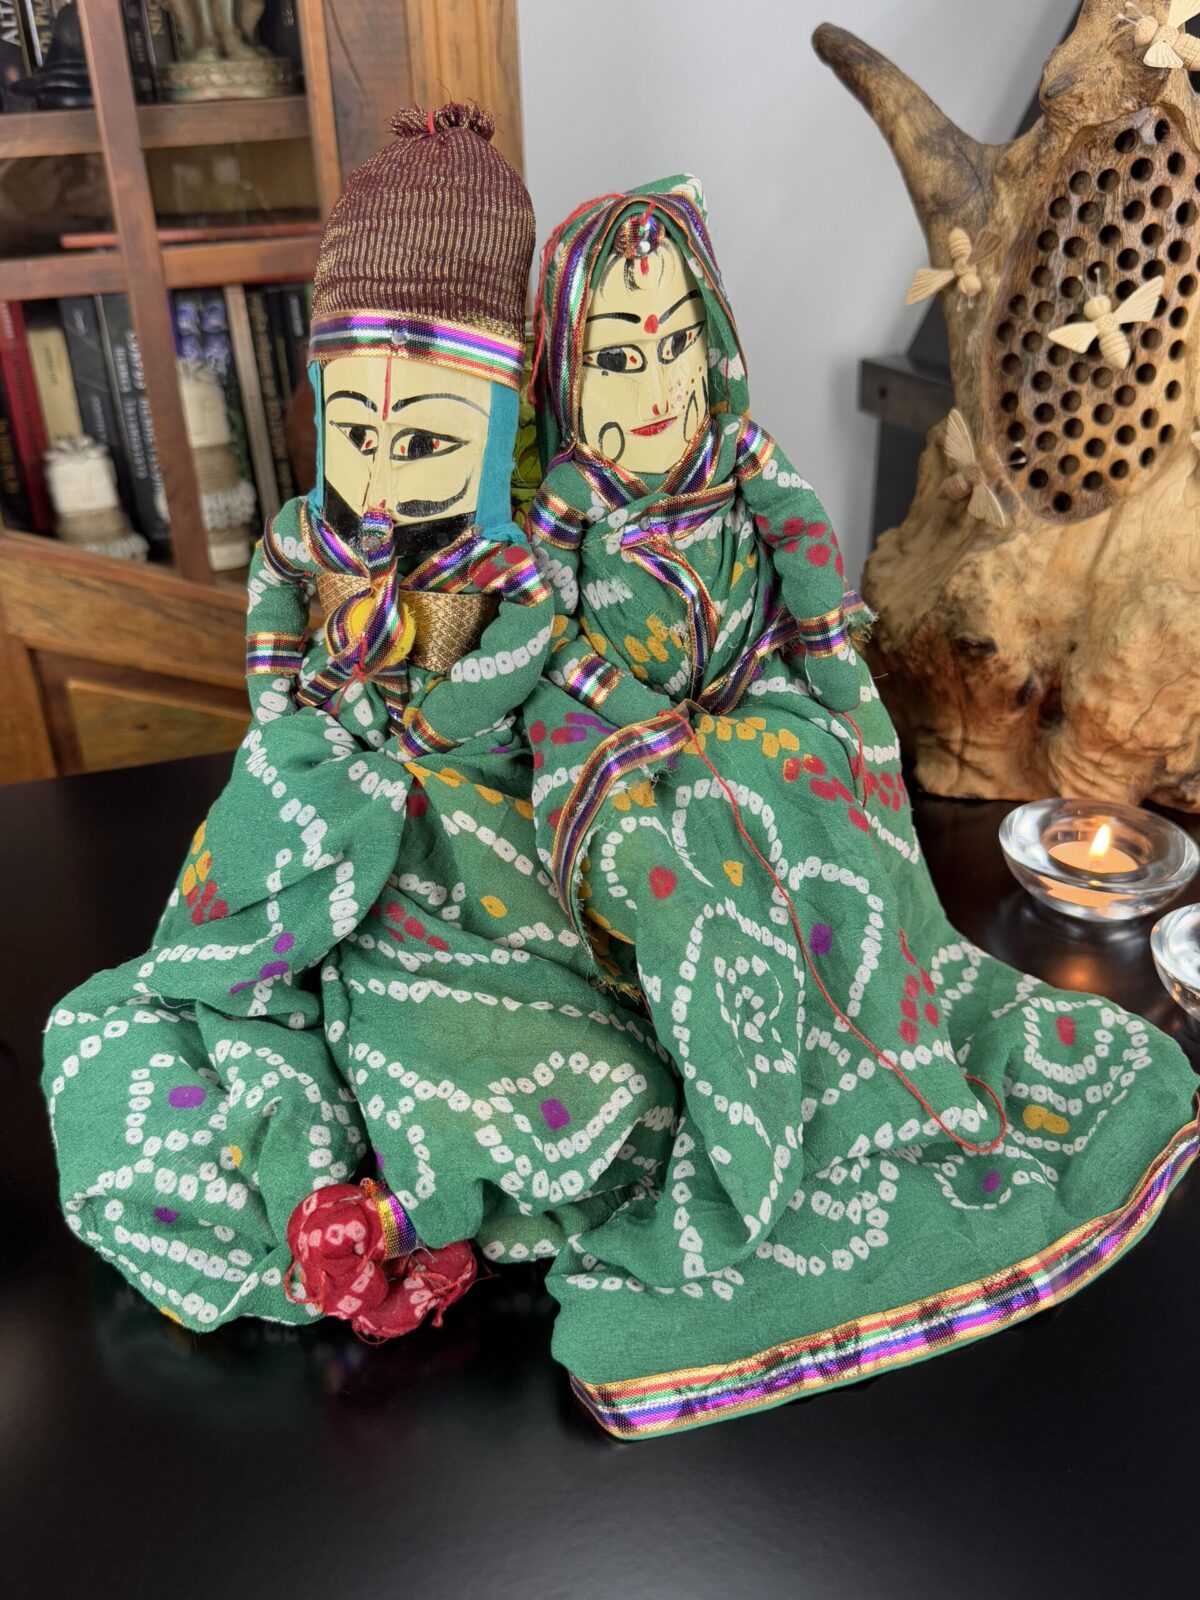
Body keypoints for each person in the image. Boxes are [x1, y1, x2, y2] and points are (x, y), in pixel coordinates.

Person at [520, 178, 1199, 1437]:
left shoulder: (749, 471)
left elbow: (820, 620)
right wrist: (643, 726)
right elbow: (547, 651)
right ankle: (756, 1123)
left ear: (715, 344)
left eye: (676, 344)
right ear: (565, 367)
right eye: (617, 358)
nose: (656, 386)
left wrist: (855, 729)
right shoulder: (561, 515)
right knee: (688, 868)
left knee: (826, 801)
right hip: (634, 750)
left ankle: (899, 1074)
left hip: (763, 719)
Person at [41, 108, 676, 1341]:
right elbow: (272, 667)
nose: (380, 478)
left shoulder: (515, 565)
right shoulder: (299, 541)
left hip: (473, 841)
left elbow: (543, 667)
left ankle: (399, 1205)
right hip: (310, 798)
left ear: (498, 427)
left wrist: (476, 726)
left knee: (544, 1058)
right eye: (357, 433)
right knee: (142, 1014)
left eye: (426, 439)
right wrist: (301, 752)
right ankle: (317, 1185)